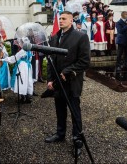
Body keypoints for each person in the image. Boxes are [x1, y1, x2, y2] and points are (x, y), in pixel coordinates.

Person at [45, 11, 90, 157]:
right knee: (60, 109)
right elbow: (51, 61)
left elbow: (84, 61)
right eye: (60, 18)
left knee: (74, 111)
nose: (61, 21)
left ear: (71, 21)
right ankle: (60, 134)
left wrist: (68, 70)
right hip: (57, 82)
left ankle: (77, 140)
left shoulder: (81, 37)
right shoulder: (54, 37)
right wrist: (50, 79)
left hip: (71, 81)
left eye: (64, 18)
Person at [0, 37, 33, 104]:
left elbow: (13, 59)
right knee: (27, 81)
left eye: (21, 43)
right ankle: (27, 97)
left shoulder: (22, 51)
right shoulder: (29, 50)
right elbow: (30, 59)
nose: (20, 44)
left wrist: (3, 59)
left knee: (21, 81)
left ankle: (23, 97)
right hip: (28, 67)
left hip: (22, 67)